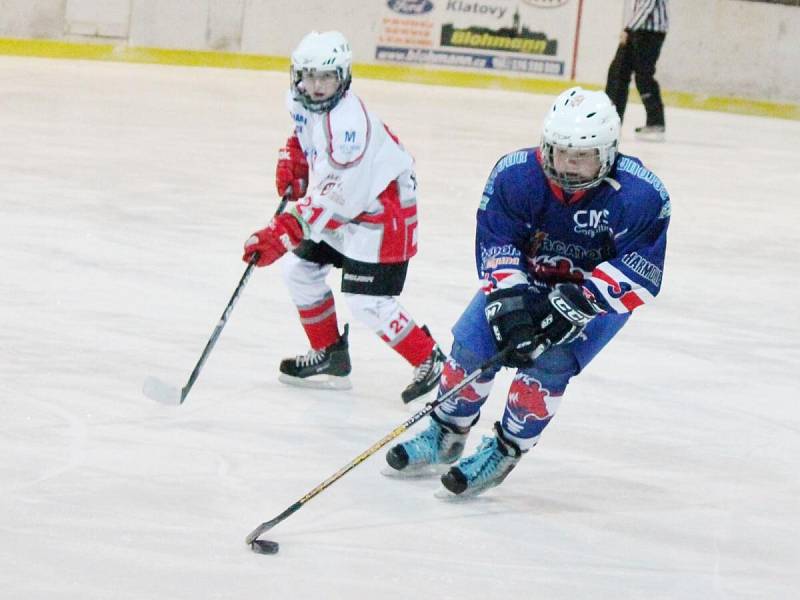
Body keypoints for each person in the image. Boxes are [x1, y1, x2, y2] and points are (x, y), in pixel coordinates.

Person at [385, 87, 670, 497]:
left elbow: (642, 269)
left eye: (582, 156)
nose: (569, 165)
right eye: (560, 152)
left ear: (607, 153)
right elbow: (498, 241)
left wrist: (582, 301)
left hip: (595, 301)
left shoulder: (642, 195)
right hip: (528, 280)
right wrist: (509, 303)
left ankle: (504, 451)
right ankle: (444, 434)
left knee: (546, 367)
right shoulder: (515, 175)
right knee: (470, 347)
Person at [242, 31, 445, 404]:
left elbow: (340, 198)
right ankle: (332, 356)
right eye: (309, 76)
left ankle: (430, 360)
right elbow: (306, 136)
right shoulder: (298, 100)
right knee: (299, 271)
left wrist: (284, 230)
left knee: (368, 301)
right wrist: (296, 157)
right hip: (344, 202)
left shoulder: (350, 125)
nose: (317, 87)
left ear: (344, 77)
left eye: (327, 78)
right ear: (296, 75)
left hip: (383, 209)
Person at [605, 0, 669, 141]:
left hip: (648, 32)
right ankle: (611, 121)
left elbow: (647, 6)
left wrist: (628, 29)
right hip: (639, 30)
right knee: (618, 72)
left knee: (643, 76)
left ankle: (656, 123)